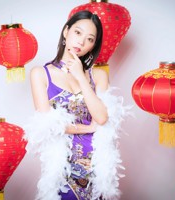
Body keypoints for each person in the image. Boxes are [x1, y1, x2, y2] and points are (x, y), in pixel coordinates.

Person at [24, 10, 129, 200]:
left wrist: (81, 76)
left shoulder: (98, 76)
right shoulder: (40, 74)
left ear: (93, 45)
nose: (81, 42)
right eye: (78, 33)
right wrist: (87, 127)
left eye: (90, 39)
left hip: (98, 165)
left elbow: (102, 117)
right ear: (66, 32)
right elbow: (48, 125)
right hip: (63, 165)